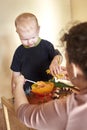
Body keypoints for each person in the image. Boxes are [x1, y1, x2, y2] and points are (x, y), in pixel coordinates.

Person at [13, 22, 87, 130]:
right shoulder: (19, 51)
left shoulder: (68, 109)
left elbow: (23, 113)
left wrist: (18, 85)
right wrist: (72, 75)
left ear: (75, 68)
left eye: (66, 60)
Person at [10, 12, 63, 94]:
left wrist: (55, 61)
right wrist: (14, 88)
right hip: (28, 90)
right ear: (18, 34)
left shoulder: (46, 45)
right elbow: (15, 73)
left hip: (49, 86)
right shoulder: (19, 51)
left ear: (38, 30)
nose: (30, 42)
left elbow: (58, 56)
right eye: (25, 39)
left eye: (33, 37)